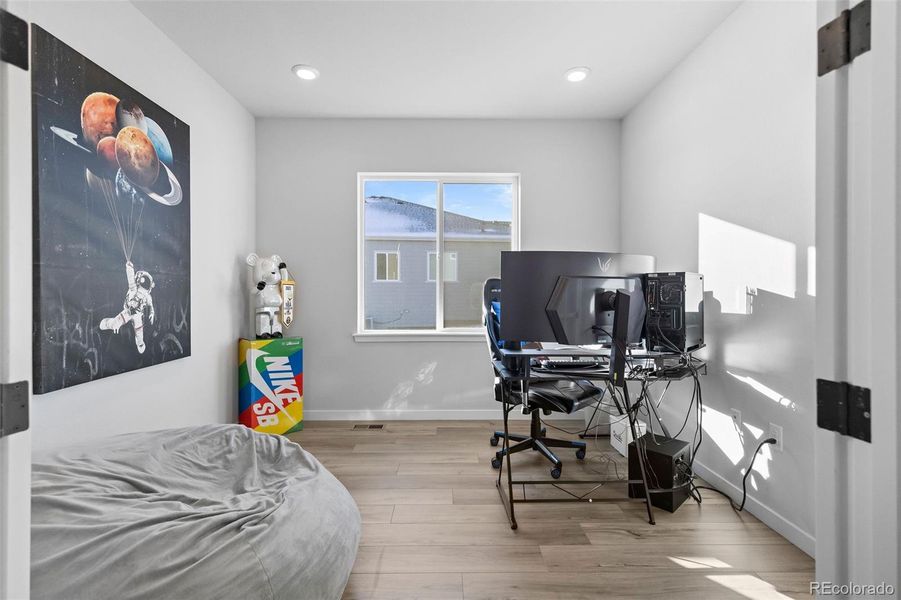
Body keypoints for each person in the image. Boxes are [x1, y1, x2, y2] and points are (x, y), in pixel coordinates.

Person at [99, 261, 155, 354]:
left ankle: (140, 342)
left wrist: (152, 313)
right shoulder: (133, 289)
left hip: (137, 315)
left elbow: (150, 305)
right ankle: (107, 323)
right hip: (128, 312)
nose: (143, 291)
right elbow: (130, 280)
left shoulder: (147, 296)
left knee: (139, 333)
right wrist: (129, 268)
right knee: (115, 324)